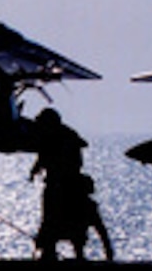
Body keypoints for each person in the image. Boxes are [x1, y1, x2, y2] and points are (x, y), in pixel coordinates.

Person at [29, 108, 114, 261]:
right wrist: (35, 170)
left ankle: (63, 254)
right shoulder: (53, 137)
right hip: (59, 185)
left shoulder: (63, 137)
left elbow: (48, 158)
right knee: (52, 223)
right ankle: (50, 253)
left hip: (64, 187)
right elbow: (43, 157)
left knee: (61, 222)